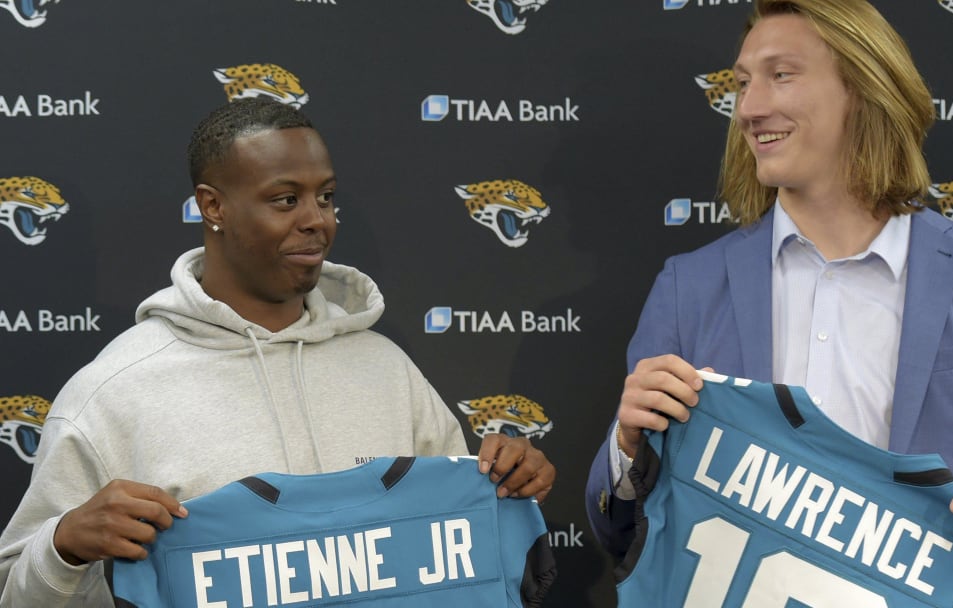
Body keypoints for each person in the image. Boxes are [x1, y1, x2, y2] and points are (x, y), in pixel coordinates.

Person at [586, 0, 953, 599]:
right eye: (743, 82)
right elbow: (618, 527)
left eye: (781, 74)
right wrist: (627, 447)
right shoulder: (688, 286)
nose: (749, 107)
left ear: (864, 85)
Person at [0, 97, 555, 606]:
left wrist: (504, 485)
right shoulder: (113, 393)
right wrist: (63, 546)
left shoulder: (387, 369)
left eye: (327, 197)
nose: (317, 219)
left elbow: (460, 550)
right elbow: (15, 591)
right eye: (285, 199)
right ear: (212, 205)